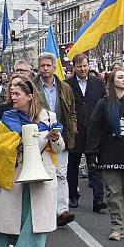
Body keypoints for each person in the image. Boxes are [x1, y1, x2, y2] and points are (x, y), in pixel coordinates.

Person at [0, 81, 64, 247]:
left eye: (17, 94)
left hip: (42, 174)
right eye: (11, 93)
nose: (13, 97)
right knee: (19, 217)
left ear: (30, 96)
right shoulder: (8, 118)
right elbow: (0, 146)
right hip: (17, 174)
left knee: (37, 220)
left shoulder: (49, 117)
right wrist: (17, 146)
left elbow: (58, 149)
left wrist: (55, 138)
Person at [86, 70, 124, 240]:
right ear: (111, 82)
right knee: (113, 193)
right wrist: (92, 155)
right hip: (109, 155)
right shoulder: (103, 104)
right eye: (120, 77)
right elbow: (94, 130)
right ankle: (117, 226)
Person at [34, 52, 77, 226]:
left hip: (60, 136)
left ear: (54, 67)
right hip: (39, 137)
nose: (45, 69)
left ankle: (62, 211)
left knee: (61, 174)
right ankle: (43, 210)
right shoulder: (33, 87)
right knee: (42, 174)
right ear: (39, 67)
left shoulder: (64, 87)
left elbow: (72, 110)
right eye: (42, 66)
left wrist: (71, 128)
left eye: (48, 65)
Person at [65, 53, 107, 213]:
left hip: (94, 130)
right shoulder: (67, 84)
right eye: (79, 66)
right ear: (74, 67)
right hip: (75, 130)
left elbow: (104, 103)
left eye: (85, 65)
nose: (82, 69)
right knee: (73, 165)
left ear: (89, 66)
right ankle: (73, 195)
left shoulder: (98, 83)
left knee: (94, 165)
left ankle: (99, 199)